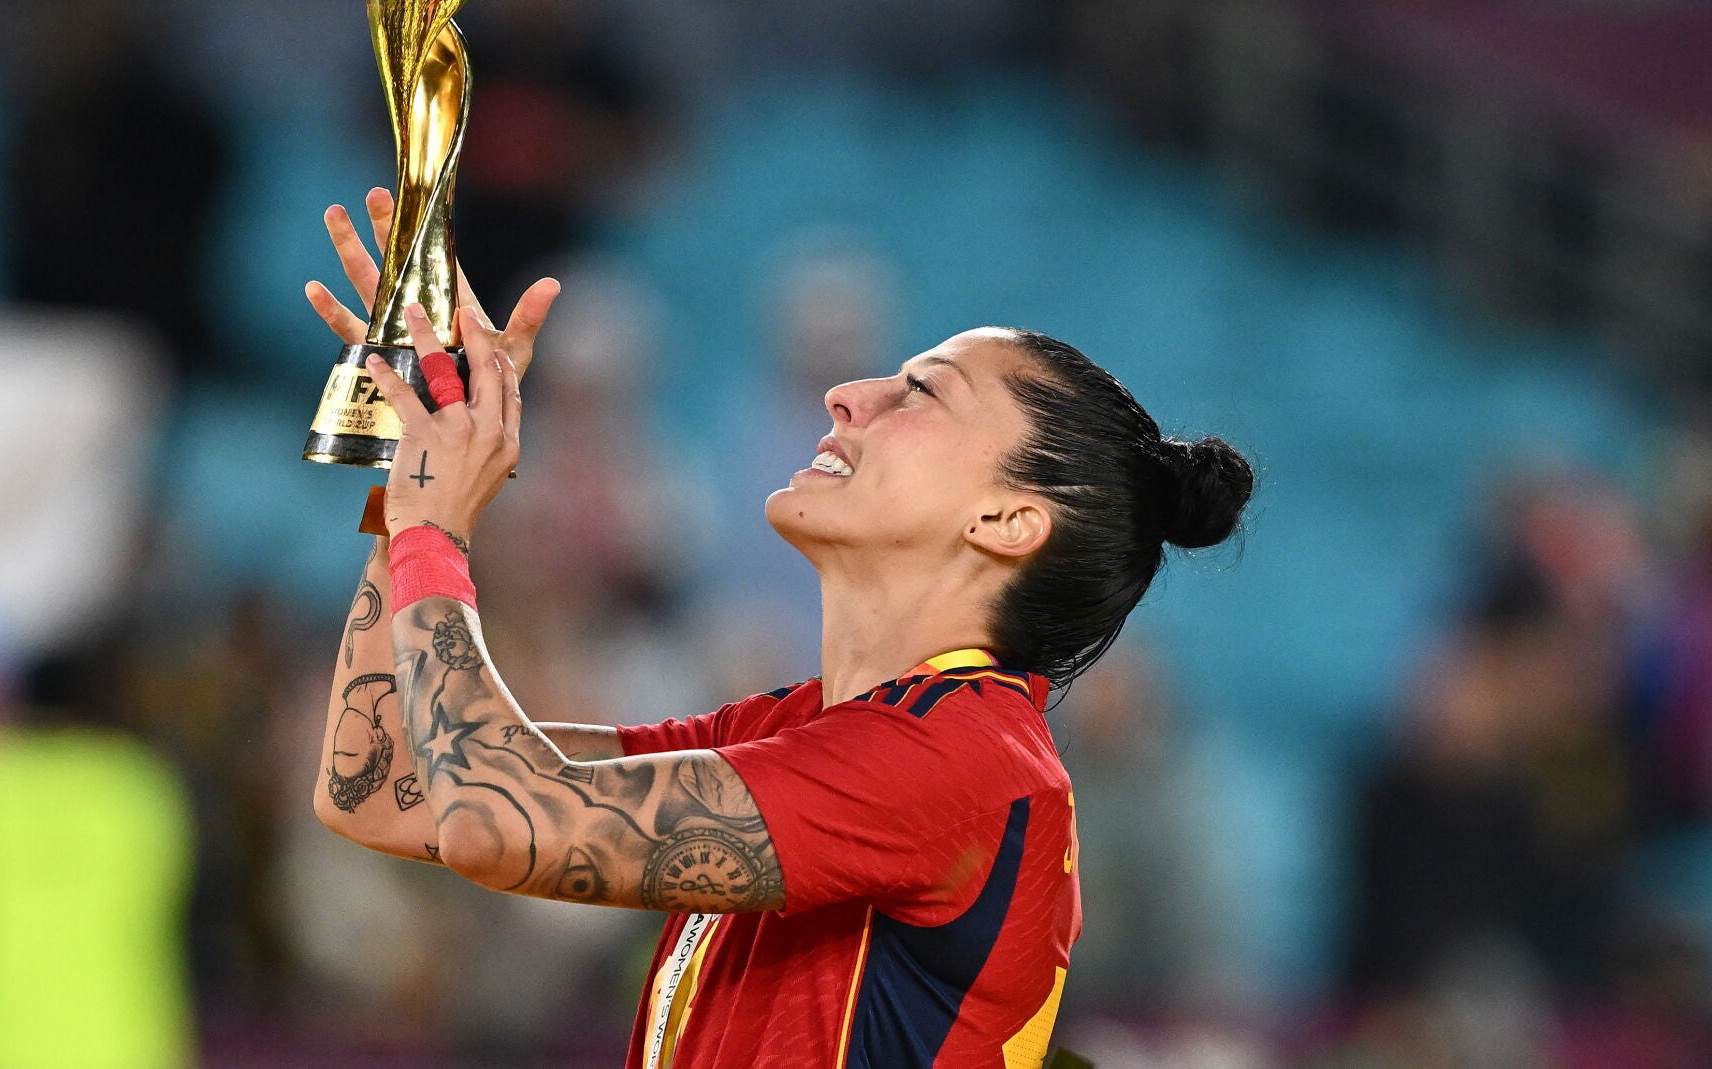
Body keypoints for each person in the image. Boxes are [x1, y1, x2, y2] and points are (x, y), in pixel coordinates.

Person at [306, 192, 1253, 1068]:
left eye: (922, 392)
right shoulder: (794, 729)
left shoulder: (969, 761)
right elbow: (381, 789)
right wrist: (413, 470)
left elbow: (493, 817)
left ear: (1006, 520)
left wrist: (433, 523)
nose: (847, 393)